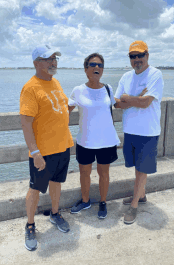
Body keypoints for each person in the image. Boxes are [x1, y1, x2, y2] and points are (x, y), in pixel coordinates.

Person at [20, 44, 74, 251]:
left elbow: (60, 108)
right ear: (36, 63)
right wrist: (35, 153)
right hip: (43, 152)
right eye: (48, 58)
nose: (53, 62)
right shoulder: (30, 88)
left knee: (57, 182)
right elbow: (25, 123)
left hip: (63, 146)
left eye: (55, 58)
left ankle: (54, 213)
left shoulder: (56, 82)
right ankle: (30, 225)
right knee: (35, 188)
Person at [114, 40, 164, 225]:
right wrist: (133, 98)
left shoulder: (155, 75)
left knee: (142, 170)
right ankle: (141, 195)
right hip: (130, 130)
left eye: (140, 55)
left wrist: (128, 98)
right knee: (137, 166)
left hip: (148, 132)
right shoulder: (126, 77)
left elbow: (146, 103)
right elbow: (117, 103)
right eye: (133, 56)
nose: (137, 59)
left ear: (147, 55)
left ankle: (134, 205)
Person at [68, 53, 120, 219]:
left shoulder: (108, 88)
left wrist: (137, 97)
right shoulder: (78, 90)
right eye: (92, 64)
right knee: (84, 173)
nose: (96, 68)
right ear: (85, 69)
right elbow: (64, 111)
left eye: (100, 65)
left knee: (104, 173)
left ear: (103, 70)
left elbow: (117, 103)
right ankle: (85, 200)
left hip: (106, 140)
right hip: (85, 140)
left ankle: (103, 202)